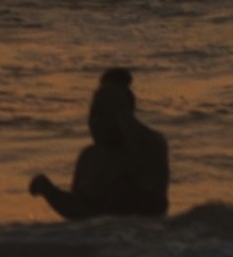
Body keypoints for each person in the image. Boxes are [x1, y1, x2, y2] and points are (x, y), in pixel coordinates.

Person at [29, 66, 170, 221]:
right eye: (93, 114)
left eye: (104, 115)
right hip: (98, 240)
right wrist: (49, 190)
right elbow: (79, 210)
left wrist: (119, 109)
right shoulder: (89, 157)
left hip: (138, 239)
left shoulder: (150, 146)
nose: (94, 123)